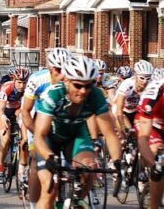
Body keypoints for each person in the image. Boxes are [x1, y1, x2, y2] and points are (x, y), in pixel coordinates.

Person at [34, 56, 122, 208]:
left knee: (89, 168)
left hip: (75, 135)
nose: (83, 91)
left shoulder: (95, 95)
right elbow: (39, 135)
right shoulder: (54, 94)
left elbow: (110, 134)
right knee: (49, 187)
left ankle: (76, 201)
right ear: (66, 81)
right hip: (50, 138)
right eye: (78, 85)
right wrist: (49, 156)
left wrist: (117, 162)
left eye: (88, 86)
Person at [21, 47, 69, 208]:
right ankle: (34, 205)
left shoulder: (72, 78)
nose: (63, 74)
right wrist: (38, 135)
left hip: (62, 120)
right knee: (35, 160)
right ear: (50, 69)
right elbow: (26, 112)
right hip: (38, 118)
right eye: (58, 69)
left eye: (66, 69)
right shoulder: (37, 79)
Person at [0, 66, 29, 184]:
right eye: (19, 82)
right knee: (5, 140)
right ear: (14, 80)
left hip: (18, 110)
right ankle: (0, 169)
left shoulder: (29, 89)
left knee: (25, 132)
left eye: (24, 82)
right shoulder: (6, 87)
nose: (22, 86)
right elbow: (0, 109)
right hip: (5, 111)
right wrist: (3, 117)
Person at [137, 79, 164, 209]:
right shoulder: (153, 96)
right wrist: (154, 166)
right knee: (160, 162)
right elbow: (143, 138)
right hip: (153, 126)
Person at [113, 60, 154, 137]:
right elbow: (119, 109)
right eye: (142, 78)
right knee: (127, 132)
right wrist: (122, 126)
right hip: (121, 111)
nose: (145, 81)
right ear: (135, 75)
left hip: (136, 111)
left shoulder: (151, 85)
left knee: (143, 134)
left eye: (148, 78)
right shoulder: (127, 84)